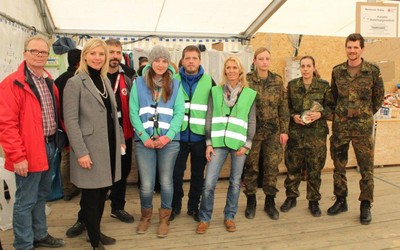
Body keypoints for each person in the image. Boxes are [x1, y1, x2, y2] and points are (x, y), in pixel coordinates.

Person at [65, 39, 135, 239]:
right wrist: (81, 152)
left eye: (101, 54)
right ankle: (95, 239)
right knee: (91, 196)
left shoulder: (104, 80)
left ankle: (95, 232)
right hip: (90, 148)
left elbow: (114, 114)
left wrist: (120, 137)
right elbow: (71, 121)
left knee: (104, 191)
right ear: (84, 56)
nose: (97, 58)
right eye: (93, 53)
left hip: (109, 146)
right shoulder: (75, 82)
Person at [0, 35, 65, 250]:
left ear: (48, 55)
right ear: (25, 53)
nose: (39, 55)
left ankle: (40, 234)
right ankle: (23, 244)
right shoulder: (12, 83)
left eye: (43, 52)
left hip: (49, 147)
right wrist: (17, 156)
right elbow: (6, 124)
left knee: (41, 196)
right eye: (34, 51)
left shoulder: (48, 81)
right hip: (28, 151)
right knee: (25, 200)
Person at [328, 33, 384, 225]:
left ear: (362, 49)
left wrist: (365, 113)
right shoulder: (337, 71)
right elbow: (333, 97)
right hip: (341, 126)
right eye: (349, 47)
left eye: (355, 47)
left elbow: (378, 99)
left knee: (366, 168)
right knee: (339, 165)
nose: (352, 51)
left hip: (362, 128)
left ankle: (366, 204)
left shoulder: (373, 71)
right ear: (346, 48)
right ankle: (341, 199)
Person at [196, 56, 257, 234]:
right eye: (228, 67)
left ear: (240, 71)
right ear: (225, 71)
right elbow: (209, 117)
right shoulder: (215, 92)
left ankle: (229, 216)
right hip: (217, 143)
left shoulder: (249, 94)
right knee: (209, 183)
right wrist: (208, 143)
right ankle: (204, 218)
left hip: (239, 144)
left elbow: (252, 121)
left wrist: (247, 144)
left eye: (234, 67)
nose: (231, 70)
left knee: (235, 182)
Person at [129, 45, 184, 238]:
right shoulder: (138, 83)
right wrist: (144, 137)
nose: (160, 64)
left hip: (169, 142)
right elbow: (133, 112)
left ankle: (164, 218)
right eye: (157, 60)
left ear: (168, 63)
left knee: (166, 182)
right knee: (146, 184)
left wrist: (167, 136)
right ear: (151, 62)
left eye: (164, 60)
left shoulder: (176, 84)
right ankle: (145, 216)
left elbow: (179, 113)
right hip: (144, 142)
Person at [281, 56, 335, 217]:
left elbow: (332, 108)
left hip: (316, 136)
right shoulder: (292, 86)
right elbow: (286, 108)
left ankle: (313, 201)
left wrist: (320, 114)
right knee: (293, 169)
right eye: (302, 66)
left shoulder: (324, 86)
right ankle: (291, 198)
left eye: (308, 66)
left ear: (313, 67)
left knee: (314, 170)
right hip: (296, 135)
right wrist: (293, 116)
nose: (305, 69)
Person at [242, 47, 290, 220]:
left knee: (271, 167)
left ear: (270, 61)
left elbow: (283, 107)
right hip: (252, 131)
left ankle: (270, 201)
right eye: (260, 59)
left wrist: (284, 130)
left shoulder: (277, 80)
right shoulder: (247, 80)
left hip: (273, 132)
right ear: (254, 61)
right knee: (251, 166)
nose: (264, 62)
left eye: (267, 59)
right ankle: (251, 201)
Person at [170, 45, 215, 222]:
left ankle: (193, 207)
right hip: (178, 137)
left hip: (199, 138)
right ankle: (175, 206)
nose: (190, 61)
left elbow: (213, 110)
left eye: (194, 58)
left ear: (199, 60)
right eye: (187, 58)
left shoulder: (209, 81)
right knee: (176, 175)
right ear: (182, 60)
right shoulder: (172, 80)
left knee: (198, 175)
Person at [54, 48, 82, 201]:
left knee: (66, 157)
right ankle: (76, 186)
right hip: (75, 124)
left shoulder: (59, 79)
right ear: (80, 61)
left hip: (62, 123)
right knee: (76, 156)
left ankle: (67, 189)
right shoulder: (79, 79)